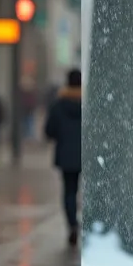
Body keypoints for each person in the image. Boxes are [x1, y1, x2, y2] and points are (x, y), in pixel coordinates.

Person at [44, 68, 83, 247]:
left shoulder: (59, 104)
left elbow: (49, 131)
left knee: (69, 192)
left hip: (66, 155)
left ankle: (72, 224)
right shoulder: (87, 103)